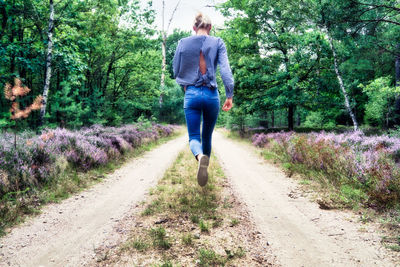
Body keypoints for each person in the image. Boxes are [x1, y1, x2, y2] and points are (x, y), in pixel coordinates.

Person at [173, 12, 234, 187]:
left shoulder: (182, 43)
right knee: (206, 136)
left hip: (191, 93)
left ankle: (200, 157)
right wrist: (229, 95)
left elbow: (176, 70)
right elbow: (226, 72)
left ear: (194, 28)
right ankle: (205, 166)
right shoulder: (218, 42)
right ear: (210, 27)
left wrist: (184, 86)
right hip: (211, 95)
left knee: (193, 137)